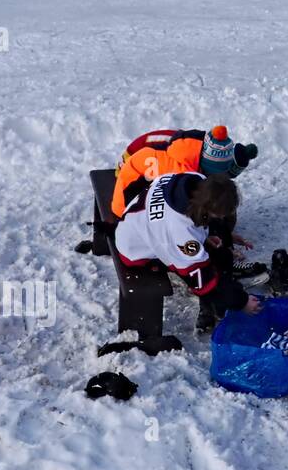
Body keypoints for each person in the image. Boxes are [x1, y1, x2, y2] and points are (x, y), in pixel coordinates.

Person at [115, 173, 264, 333]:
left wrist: (204, 236)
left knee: (219, 249)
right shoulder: (180, 231)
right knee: (214, 266)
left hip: (135, 223)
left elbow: (196, 221)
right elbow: (201, 278)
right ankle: (214, 306)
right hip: (135, 253)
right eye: (219, 215)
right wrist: (241, 302)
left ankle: (225, 289)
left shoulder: (194, 179)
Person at [112, 124, 259, 218]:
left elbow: (220, 175)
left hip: (146, 160)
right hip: (127, 171)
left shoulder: (201, 153)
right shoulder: (177, 171)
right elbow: (181, 212)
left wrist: (240, 161)